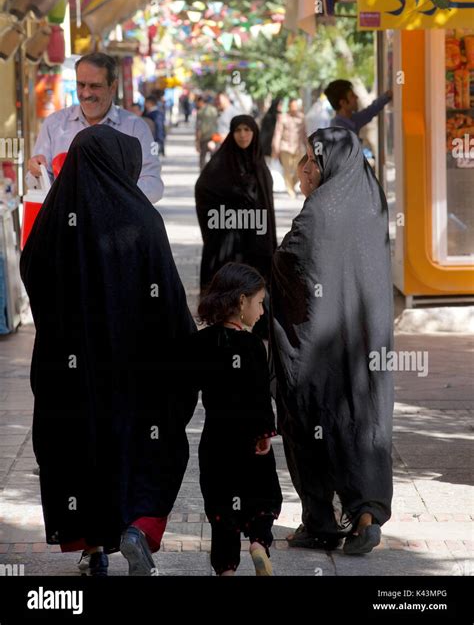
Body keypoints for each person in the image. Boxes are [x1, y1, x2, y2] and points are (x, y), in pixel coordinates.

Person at [20, 125, 196, 576]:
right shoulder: (142, 220)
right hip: (136, 372)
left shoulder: (55, 220)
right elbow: (171, 303)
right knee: (146, 445)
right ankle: (137, 526)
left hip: (70, 373)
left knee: (77, 453)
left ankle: (92, 547)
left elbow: (33, 272)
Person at [270, 127, 394, 554]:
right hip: (365, 339)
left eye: (312, 160)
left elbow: (287, 262)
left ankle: (320, 521)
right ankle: (365, 513)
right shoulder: (369, 198)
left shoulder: (318, 212)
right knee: (365, 422)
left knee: (310, 418)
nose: (304, 168)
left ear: (329, 166)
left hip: (318, 342)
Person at [185, 263, 282, 576]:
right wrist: (264, 433)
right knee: (262, 497)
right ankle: (258, 544)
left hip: (216, 443)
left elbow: (186, 385)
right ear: (241, 302)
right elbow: (260, 396)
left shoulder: (202, 343)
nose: (263, 311)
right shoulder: (253, 346)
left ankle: (226, 569)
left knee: (222, 510)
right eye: (259, 303)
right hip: (251, 444)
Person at [26, 52, 163, 204]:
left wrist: (110, 198)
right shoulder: (54, 124)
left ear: (113, 87)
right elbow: (39, 185)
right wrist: (36, 172)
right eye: (81, 85)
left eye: (95, 86)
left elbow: (154, 185)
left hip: (117, 223)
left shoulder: (135, 127)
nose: (86, 93)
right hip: (66, 225)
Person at [195, 115, 277, 337]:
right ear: (232, 133)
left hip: (256, 243)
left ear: (254, 133)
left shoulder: (260, 167)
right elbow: (204, 191)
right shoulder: (220, 165)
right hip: (227, 243)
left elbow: (267, 211)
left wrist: (269, 243)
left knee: (258, 293)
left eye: (247, 130)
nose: (243, 135)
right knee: (229, 296)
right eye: (238, 130)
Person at [326, 79, 392, 138]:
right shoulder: (338, 131)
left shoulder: (351, 119)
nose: (356, 97)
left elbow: (369, 112)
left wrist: (386, 96)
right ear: (343, 103)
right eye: (352, 95)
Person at [271, 98, 307, 198]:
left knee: (299, 169)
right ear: (289, 107)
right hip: (285, 147)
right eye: (293, 106)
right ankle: (290, 190)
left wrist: (308, 147)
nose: (294, 108)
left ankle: (292, 184)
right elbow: (278, 134)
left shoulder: (301, 118)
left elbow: (304, 134)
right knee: (287, 170)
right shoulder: (283, 118)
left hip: (298, 148)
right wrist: (275, 148)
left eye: (296, 106)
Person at [195, 94, 218, 170]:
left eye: (197, 102)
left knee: (202, 157)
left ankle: (203, 175)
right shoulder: (214, 110)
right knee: (214, 156)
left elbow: (198, 128)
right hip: (215, 137)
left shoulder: (200, 112)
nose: (196, 104)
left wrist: (197, 142)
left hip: (204, 137)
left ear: (201, 101)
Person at [144, 92, 166, 156]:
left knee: (154, 160)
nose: (144, 104)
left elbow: (159, 128)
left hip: (154, 141)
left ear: (150, 103)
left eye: (146, 102)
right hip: (152, 141)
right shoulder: (151, 113)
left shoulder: (156, 114)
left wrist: (159, 141)